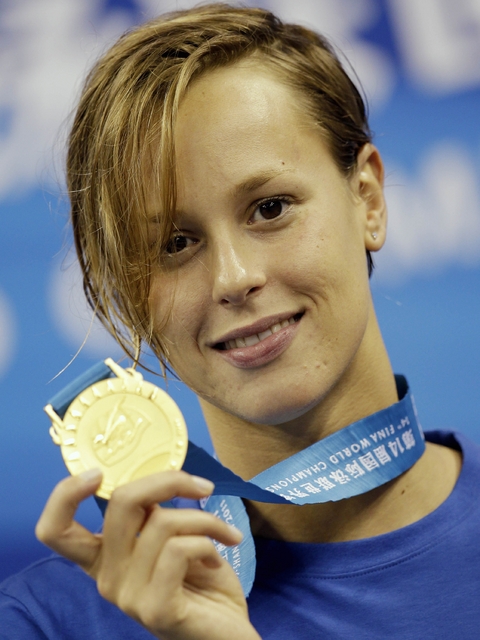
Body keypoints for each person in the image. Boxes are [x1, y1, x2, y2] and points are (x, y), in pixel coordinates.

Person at [1, 4, 479, 639]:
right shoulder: (46, 622)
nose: (232, 278)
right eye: (175, 244)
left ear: (367, 199)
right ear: (126, 293)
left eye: (270, 208)